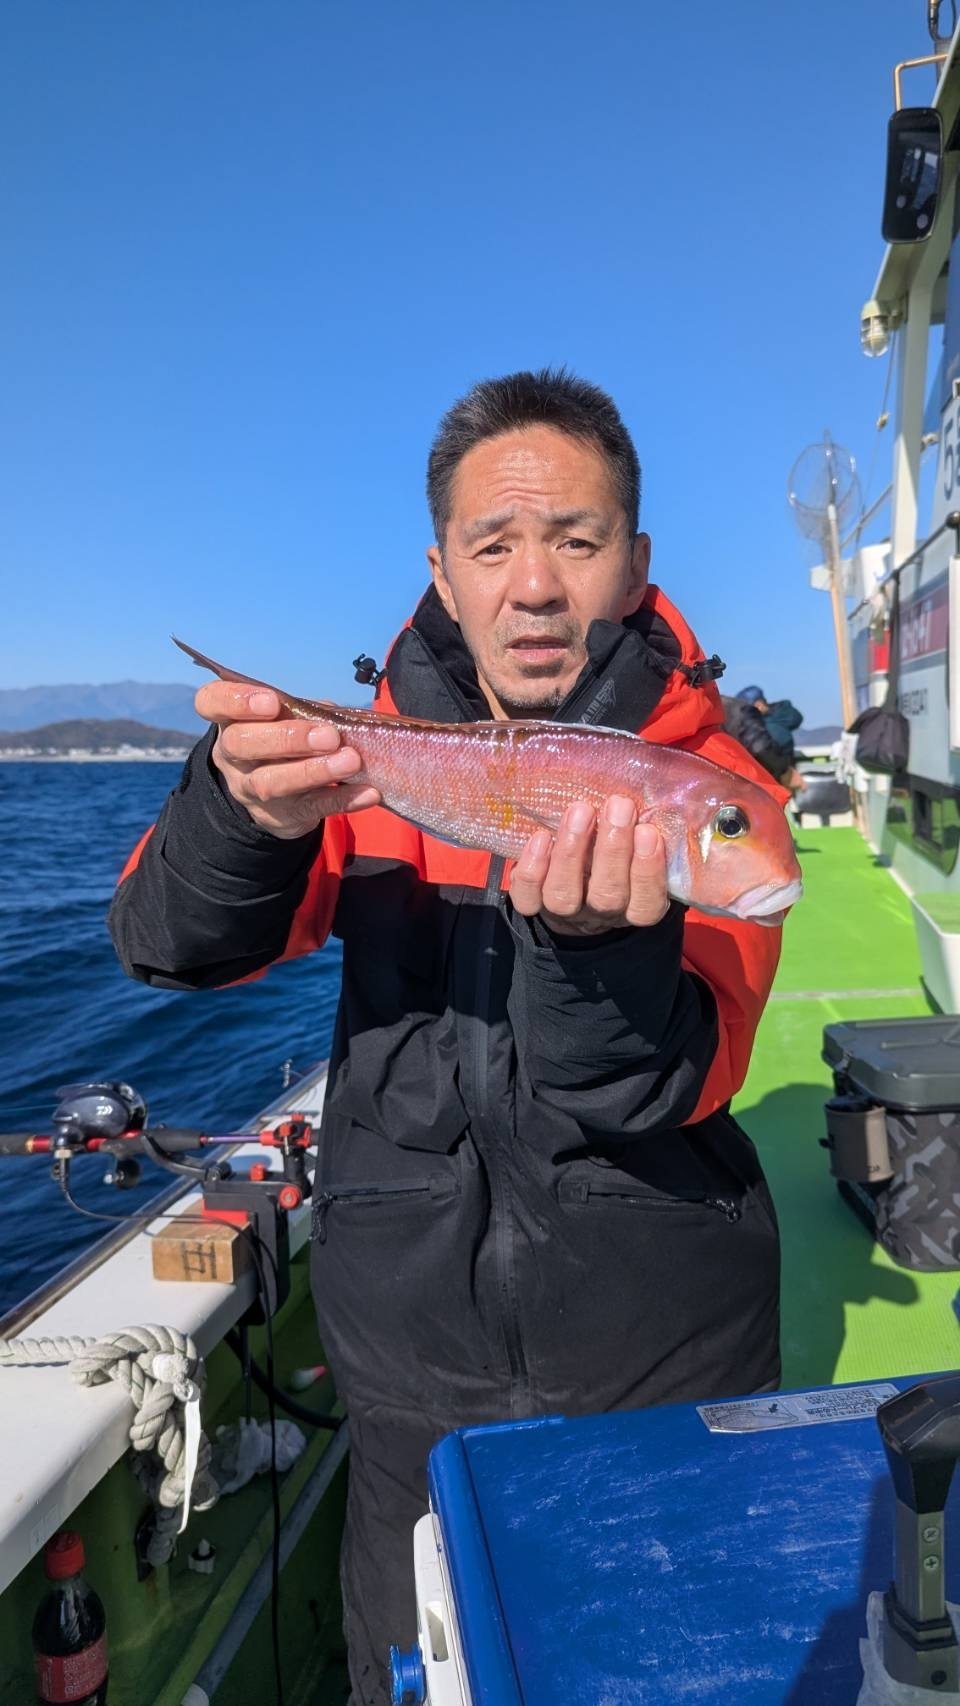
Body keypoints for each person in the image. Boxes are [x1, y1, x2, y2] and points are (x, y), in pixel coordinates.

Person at [109, 368, 789, 1706]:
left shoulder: (714, 785)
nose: (534, 585)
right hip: (406, 1392)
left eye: (576, 539)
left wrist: (599, 947)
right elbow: (167, 943)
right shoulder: (369, 764)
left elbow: (677, 1074)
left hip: (668, 1370)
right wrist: (240, 814)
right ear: (442, 569)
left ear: (636, 558)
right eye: (493, 545)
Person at [722, 685, 806, 793]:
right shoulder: (776, 718)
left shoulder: (739, 713)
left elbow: (760, 747)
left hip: (773, 774)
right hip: (776, 773)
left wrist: (784, 771)